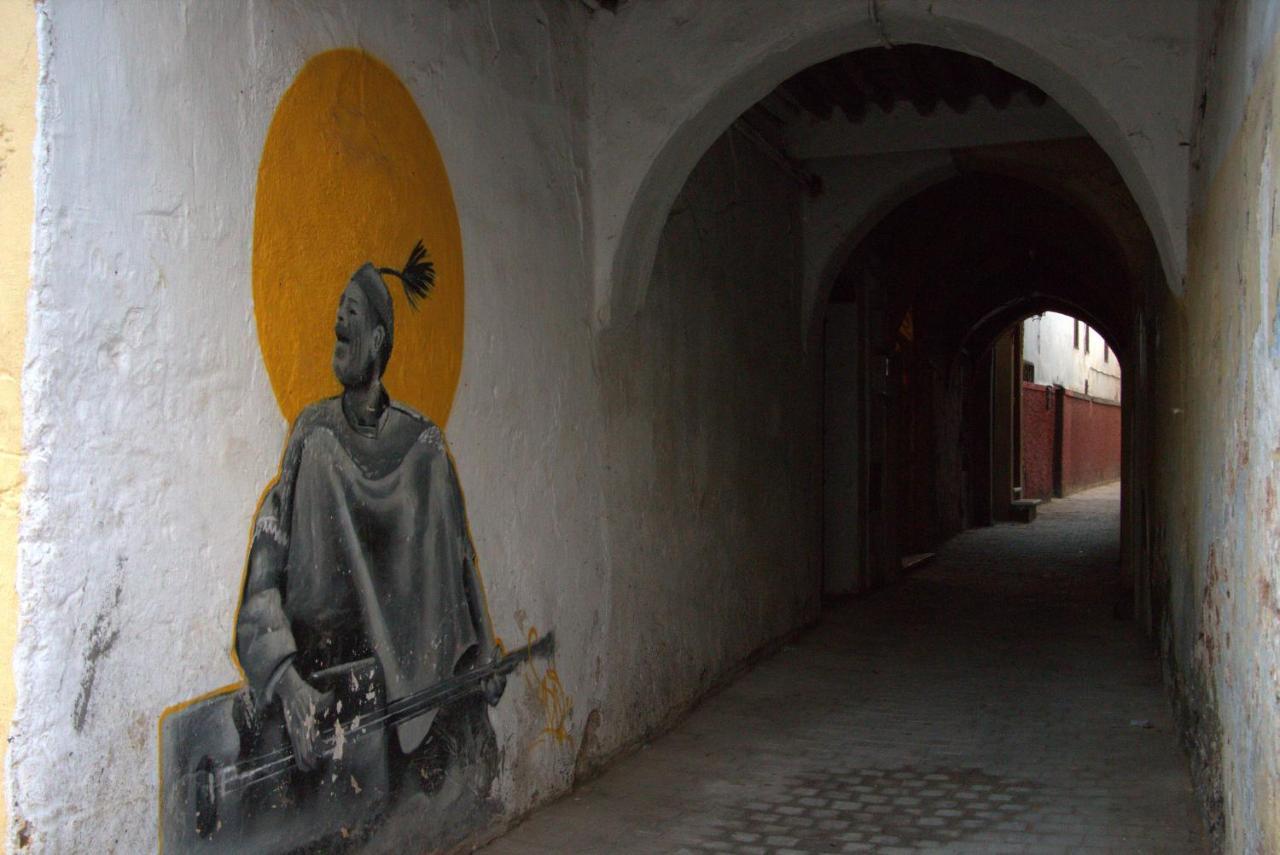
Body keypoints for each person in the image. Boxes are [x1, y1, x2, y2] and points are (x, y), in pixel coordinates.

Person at [233, 245, 504, 815]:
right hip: (326, 667)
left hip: (417, 680)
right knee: (327, 456)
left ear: (379, 339)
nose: (339, 320)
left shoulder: (421, 444)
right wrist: (286, 682)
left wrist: (482, 651)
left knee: (429, 458)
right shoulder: (315, 433)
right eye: (338, 309)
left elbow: (459, 558)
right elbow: (269, 552)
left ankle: (429, 717)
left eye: (353, 312)